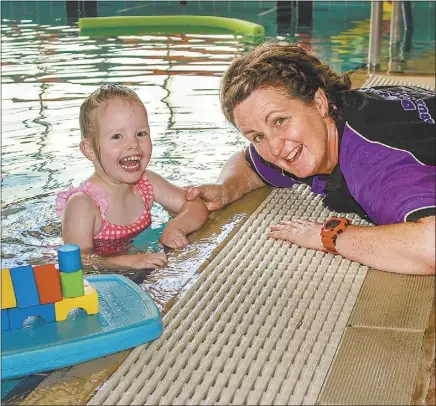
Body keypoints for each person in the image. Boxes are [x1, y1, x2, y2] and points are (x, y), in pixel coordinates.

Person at [186, 41, 435, 275]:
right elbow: (247, 161)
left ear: (319, 102)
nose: (275, 148)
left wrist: (331, 237)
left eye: (280, 121)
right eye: (257, 136)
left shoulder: (373, 161)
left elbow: (430, 248)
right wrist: (225, 189)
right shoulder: (328, 123)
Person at [56, 85, 209, 270]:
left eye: (141, 134)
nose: (133, 144)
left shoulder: (147, 183)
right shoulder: (83, 205)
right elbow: (76, 261)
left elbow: (195, 204)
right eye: (117, 136)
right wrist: (126, 261)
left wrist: (177, 227)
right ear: (89, 150)